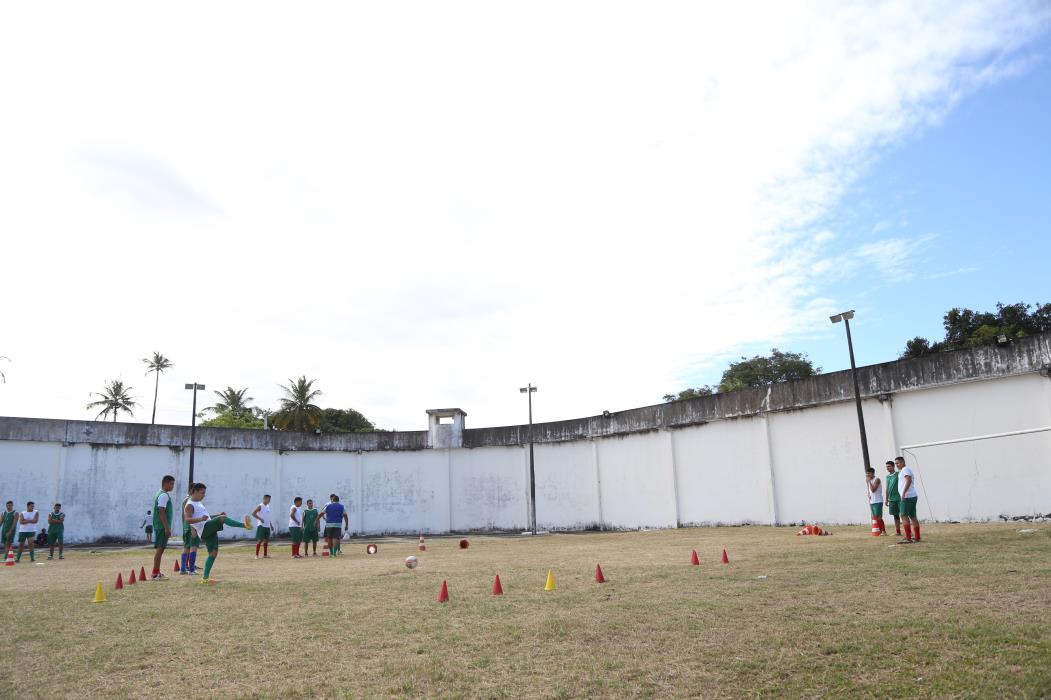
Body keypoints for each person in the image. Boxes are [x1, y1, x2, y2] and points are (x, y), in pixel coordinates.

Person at [183, 482, 252, 584]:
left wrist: (217, 515)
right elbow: (187, 520)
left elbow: (207, 517)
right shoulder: (189, 505)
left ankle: (205, 579)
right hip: (204, 529)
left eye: (204, 493)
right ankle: (244, 525)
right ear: (195, 492)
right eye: (202, 493)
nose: (204, 495)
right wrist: (201, 518)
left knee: (213, 553)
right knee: (223, 519)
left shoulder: (199, 503)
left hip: (208, 527)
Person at [150, 475, 176, 581]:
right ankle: (155, 574)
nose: (172, 486)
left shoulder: (159, 493)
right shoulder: (164, 495)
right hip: (161, 527)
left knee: (160, 549)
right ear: (165, 483)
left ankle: (157, 572)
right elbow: (161, 512)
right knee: (160, 550)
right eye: (171, 484)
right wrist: (167, 528)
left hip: (159, 526)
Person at [895, 456, 921, 543]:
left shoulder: (905, 469)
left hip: (907, 496)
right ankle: (917, 537)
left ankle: (908, 538)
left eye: (898, 463)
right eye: (896, 463)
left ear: (903, 462)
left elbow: (908, 480)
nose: (896, 465)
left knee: (903, 515)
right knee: (913, 516)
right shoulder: (903, 470)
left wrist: (903, 493)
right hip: (911, 496)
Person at [179, 490, 199, 576]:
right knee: (193, 548)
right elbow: (190, 516)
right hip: (191, 527)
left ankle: (183, 569)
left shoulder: (185, 500)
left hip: (186, 527)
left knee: (186, 548)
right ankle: (191, 569)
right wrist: (192, 528)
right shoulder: (190, 501)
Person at [884, 460, 902, 536]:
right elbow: (887, 488)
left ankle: (909, 532)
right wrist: (886, 499)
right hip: (891, 499)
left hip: (899, 498)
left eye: (889, 466)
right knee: (895, 515)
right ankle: (898, 531)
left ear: (893, 466)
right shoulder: (887, 477)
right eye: (886, 467)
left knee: (904, 515)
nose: (887, 468)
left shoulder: (898, 474)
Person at [252, 494, 273, 559]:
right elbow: (253, 513)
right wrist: (260, 519)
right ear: (265, 499)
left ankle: (265, 554)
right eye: (268, 499)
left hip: (267, 526)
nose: (269, 501)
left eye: (270, 500)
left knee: (266, 540)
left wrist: (271, 525)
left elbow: (267, 517)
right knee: (260, 540)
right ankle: (256, 555)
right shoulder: (260, 506)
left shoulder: (268, 506)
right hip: (261, 525)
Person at [865, 467, 885, 535]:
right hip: (872, 501)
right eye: (867, 473)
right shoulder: (869, 481)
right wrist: (868, 494)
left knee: (878, 516)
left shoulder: (877, 479)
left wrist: (869, 482)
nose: (868, 475)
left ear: (873, 473)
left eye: (869, 473)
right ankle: (880, 531)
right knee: (876, 517)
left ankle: (883, 531)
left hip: (878, 501)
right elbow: (870, 490)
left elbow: (873, 490)